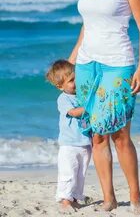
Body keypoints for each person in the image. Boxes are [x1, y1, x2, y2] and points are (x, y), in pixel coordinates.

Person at [68, 0, 140, 214]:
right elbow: (87, 25)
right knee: (96, 135)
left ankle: (136, 196)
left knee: (120, 135)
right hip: (87, 65)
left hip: (118, 65)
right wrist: (73, 58)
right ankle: (109, 198)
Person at [46, 59, 92, 210]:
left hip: (85, 142)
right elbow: (74, 112)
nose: (76, 82)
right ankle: (65, 199)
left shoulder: (81, 96)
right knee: (68, 172)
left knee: (80, 174)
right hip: (69, 144)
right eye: (71, 80)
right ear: (60, 86)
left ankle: (75, 197)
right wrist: (91, 106)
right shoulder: (63, 99)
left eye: (76, 77)